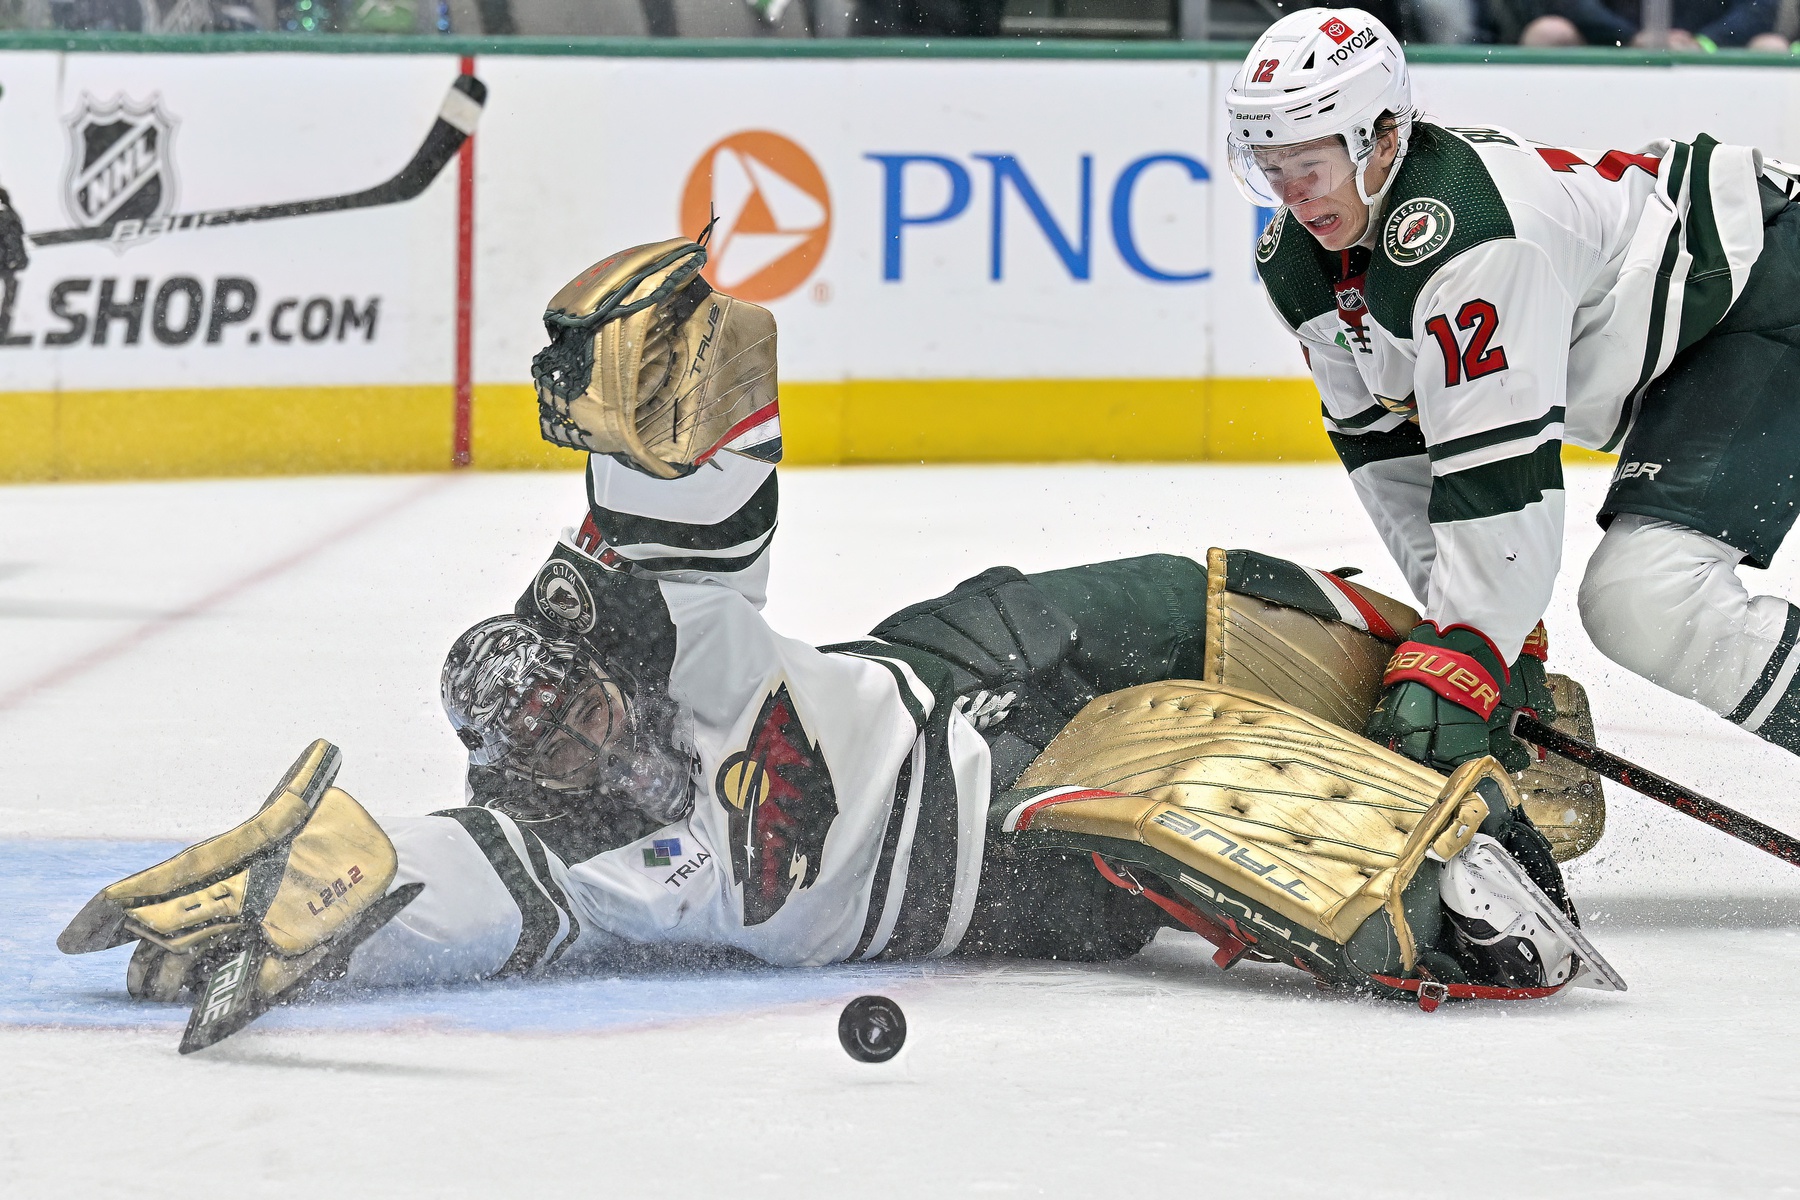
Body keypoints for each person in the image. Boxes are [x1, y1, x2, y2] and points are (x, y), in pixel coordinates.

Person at [61, 238, 1619, 1051]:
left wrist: (648, 382)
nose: (595, 736)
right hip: (1019, 855)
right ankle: (1475, 857)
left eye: (582, 705)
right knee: (1204, 812)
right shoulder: (575, 865)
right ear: (527, 778)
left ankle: (1475, 696)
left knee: (1193, 591)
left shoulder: (672, 655)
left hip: (965, 661)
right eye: (556, 748)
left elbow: (706, 462)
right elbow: (437, 882)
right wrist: (320, 911)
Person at [1232, 8, 1800, 786]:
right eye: (1271, 168)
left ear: (1385, 137)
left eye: (1311, 165)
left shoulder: (1474, 237)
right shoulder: (1301, 269)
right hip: (1700, 341)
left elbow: (1499, 474)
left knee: (1648, 599)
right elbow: (1389, 451)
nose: (1293, 196)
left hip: (1762, 289)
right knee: (1630, 602)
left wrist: (1471, 641)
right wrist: (1478, 632)